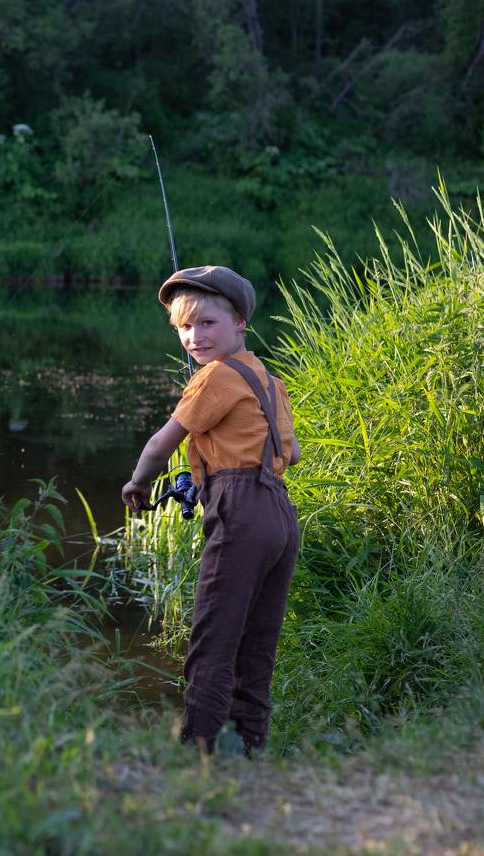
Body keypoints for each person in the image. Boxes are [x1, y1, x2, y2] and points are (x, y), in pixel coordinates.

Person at [120, 265, 301, 757]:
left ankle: (198, 755)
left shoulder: (215, 377)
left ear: (240, 321)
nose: (194, 337)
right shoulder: (270, 380)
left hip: (241, 509)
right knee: (256, 645)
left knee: (213, 642)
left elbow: (160, 444)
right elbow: (292, 453)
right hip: (280, 513)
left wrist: (139, 482)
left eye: (207, 323)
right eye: (184, 326)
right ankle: (248, 749)